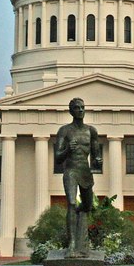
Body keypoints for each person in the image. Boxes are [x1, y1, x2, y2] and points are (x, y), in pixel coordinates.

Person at [53, 97, 103, 257]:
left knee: (87, 207)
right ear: (71, 111)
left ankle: (82, 242)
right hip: (71, 171)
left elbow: (96, 156)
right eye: (77, 108)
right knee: (72, 204)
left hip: (85, 172)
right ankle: (72, 244)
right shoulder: (64, 131)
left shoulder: (91, 131)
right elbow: (58, 158)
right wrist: (67, 149)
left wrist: (97, 160)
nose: (80, 110)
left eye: (82, 107)